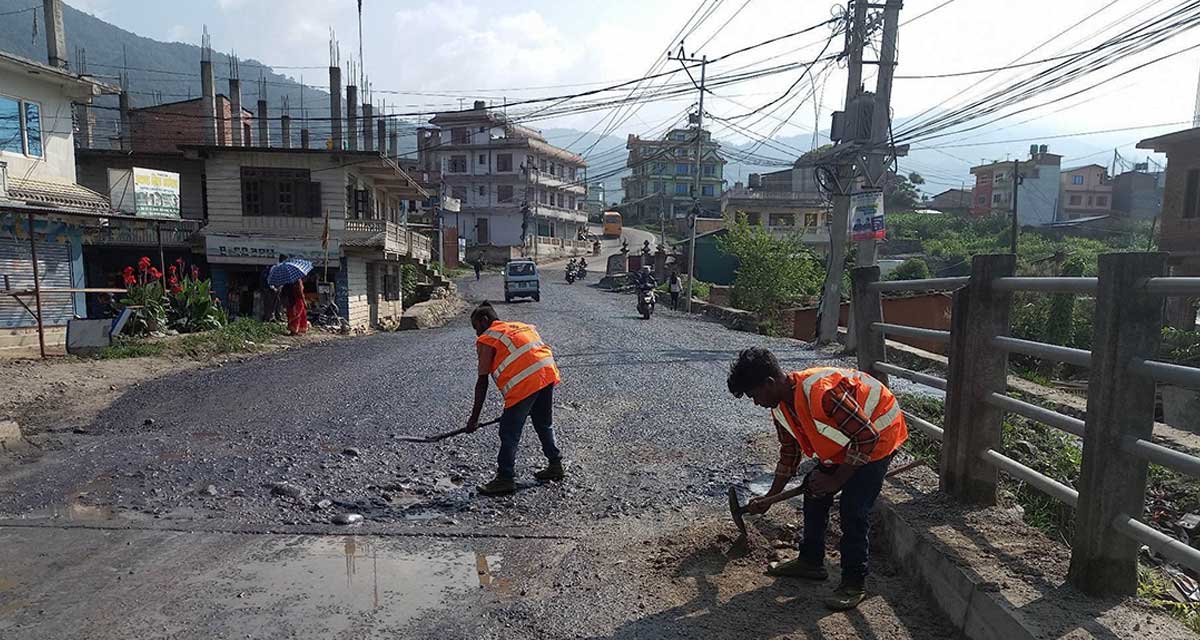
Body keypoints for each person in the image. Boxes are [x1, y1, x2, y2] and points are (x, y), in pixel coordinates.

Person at [726, 348, 908, 611]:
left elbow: (867, 437)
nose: (755, 402)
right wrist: (770, 497)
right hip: (849, 442)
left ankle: (853, 583)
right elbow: (789, 455)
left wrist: (836, 481)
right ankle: (811, 561)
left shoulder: (822, 393)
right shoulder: (780, 408)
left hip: (879, 435)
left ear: (769, 383)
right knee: (813, 488)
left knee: (853, 508)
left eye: (755, 395)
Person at [466, 302, 566, 495]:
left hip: (526, 381)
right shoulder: (519, 326)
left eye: (476, 328)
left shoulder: (488, 338)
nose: (477, 334)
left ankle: (505, 478)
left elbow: (482, 382)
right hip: (546, 373)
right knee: (543, 423)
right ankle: (555, 465)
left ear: (484, 320)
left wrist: (474, 419)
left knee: (509, 432)